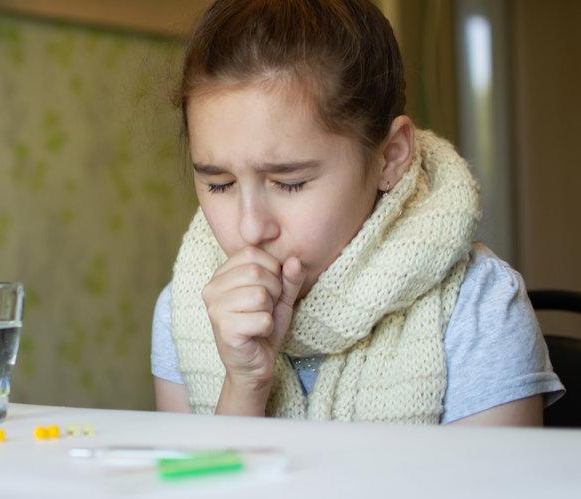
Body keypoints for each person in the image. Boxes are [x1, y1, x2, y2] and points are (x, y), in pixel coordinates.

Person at [151, 0, 564, 424]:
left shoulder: (480, 308)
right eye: (220, 184)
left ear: (390, 157)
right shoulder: (185, 309)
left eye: (290, 183)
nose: (250, 228)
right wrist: (243, 386)